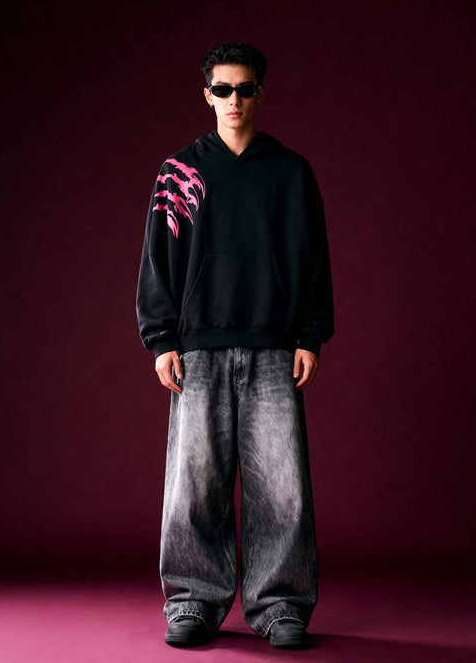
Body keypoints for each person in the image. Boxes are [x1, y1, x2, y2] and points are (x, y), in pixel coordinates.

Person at [136, 42, 334, 650]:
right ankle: (193, 601)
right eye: (222, 89)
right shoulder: (180, 173)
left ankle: (281, 605)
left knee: (282, 485)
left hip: (274, 347)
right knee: (194, 482)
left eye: (245, 89)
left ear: (260, 93)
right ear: (207, 95)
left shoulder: (290, 172)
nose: (234, 100)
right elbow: (157, 260)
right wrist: (161, 340)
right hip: (198, 349)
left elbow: (314, 259)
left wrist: (310, 335)